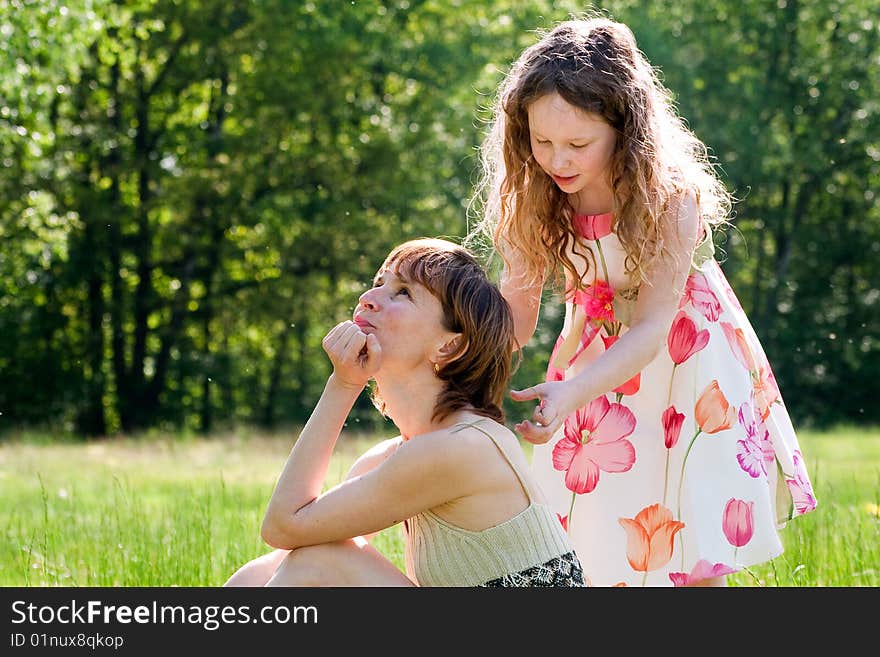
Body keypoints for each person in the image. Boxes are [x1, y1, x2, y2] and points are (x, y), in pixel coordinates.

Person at [466, 16, 818, 587]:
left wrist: (570, 393)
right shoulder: (532, 196)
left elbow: (654, 328)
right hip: (597, 368)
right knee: (601, 541)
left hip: (688, 366)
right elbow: (516, 314)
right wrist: (460, 379)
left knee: (690, 546)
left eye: (579, 144)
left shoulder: (668, 198)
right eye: (542, 140)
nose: (558, 160)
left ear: (625, 129)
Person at [224, 238, 586, 587]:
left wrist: (344, 384)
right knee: (292, 563)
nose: (367, 299)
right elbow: (290, 542)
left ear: (450, 344)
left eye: (403, 293)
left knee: (323, 561)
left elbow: (282, 525)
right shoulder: (392, 457)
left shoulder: (460, 448)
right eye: (377, 284)